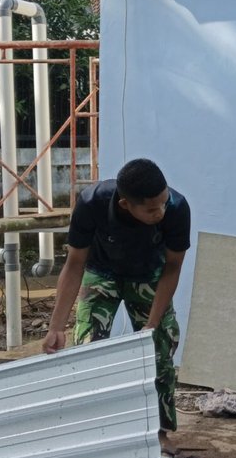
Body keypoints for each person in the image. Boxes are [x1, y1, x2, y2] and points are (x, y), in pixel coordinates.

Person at [43, 159, 190, 438]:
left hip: (150, 275)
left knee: (158, 352)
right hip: (102, 273)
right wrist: (56, 327)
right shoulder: (92, 203)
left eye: (163, 202)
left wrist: (153, 323)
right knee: (87, 350)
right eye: (150, 209)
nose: (160, 212)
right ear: (126, 205)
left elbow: (173, 267)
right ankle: (93, 433)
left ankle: (160, 433)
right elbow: (74, 264)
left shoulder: (177, 208)